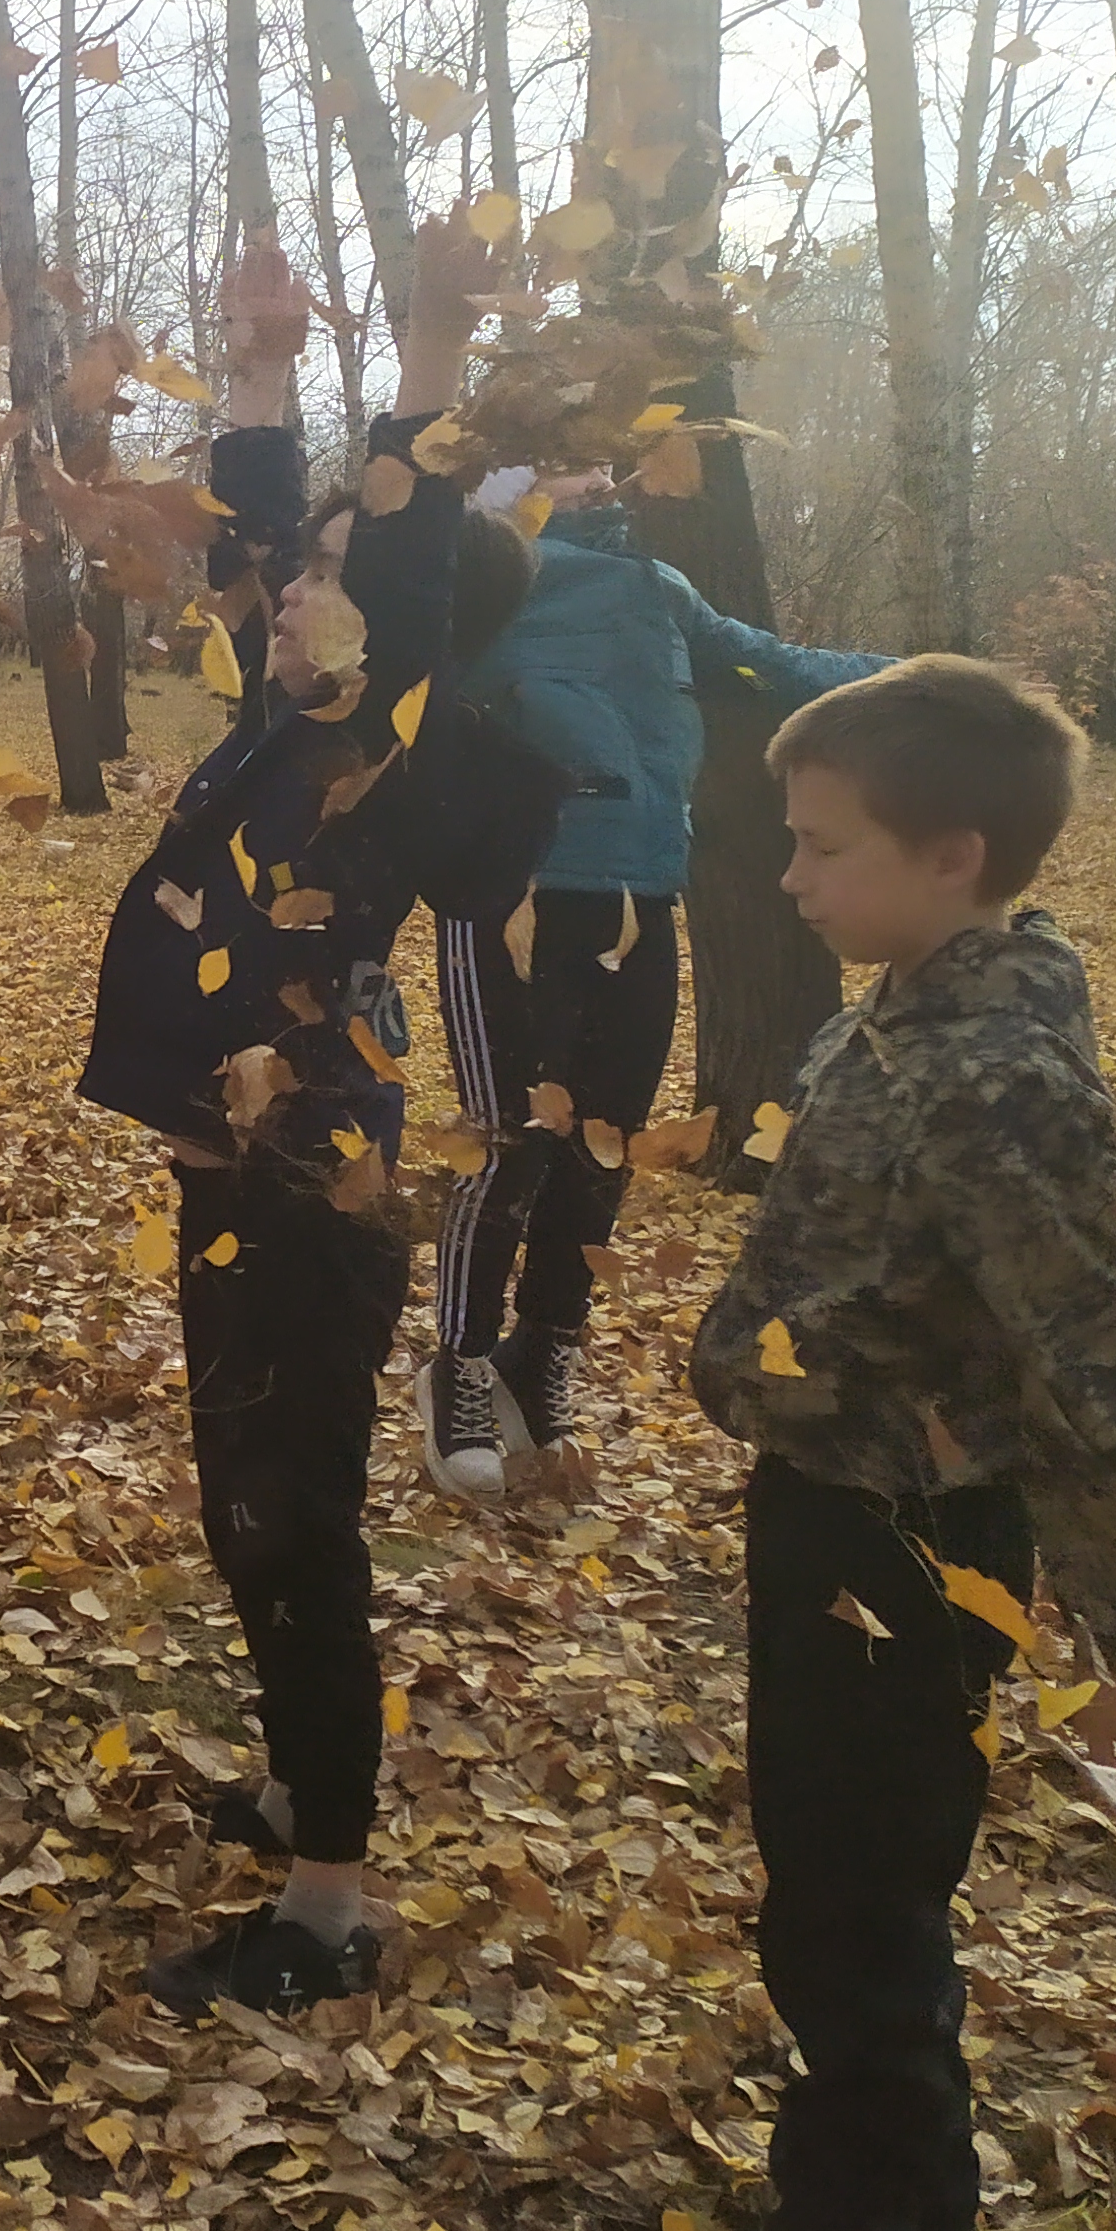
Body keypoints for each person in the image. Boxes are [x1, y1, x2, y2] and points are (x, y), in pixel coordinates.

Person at [620, 656, 1116, 2231]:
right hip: (827, 1511)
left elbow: (1104, 1364)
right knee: (858, 1891)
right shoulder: (900, 1007)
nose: (790, 878)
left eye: (821, 848)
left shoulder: (1001, 1076)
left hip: (898, 1547)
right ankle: (919, 2205)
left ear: (953, 857)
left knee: (852, 1915)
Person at [77, 212, 563, 2022]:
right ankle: (298, 1775)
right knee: (242, 1504)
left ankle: (331, 1900)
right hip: (233, 1167)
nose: (289, 587)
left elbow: (409, 552)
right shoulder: (291, 717)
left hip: (310, 1172)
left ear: (408, 620)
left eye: (328, 575)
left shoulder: (391, 735)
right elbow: (271, 530)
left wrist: (427, 349)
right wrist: (264, 368)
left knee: (291, 1517)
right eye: (295, 573)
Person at [423, 474, 882, 1502]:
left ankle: (539, 1354)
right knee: (508, 1144)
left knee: (602, 1148)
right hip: (516, 899)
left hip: (642, 896)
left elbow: (772, 667)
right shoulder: (491, 569)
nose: (591, 470)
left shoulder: (660, 586)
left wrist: (920, 677)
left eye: (599, 453)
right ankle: (455, 1365)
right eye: (562, 454)